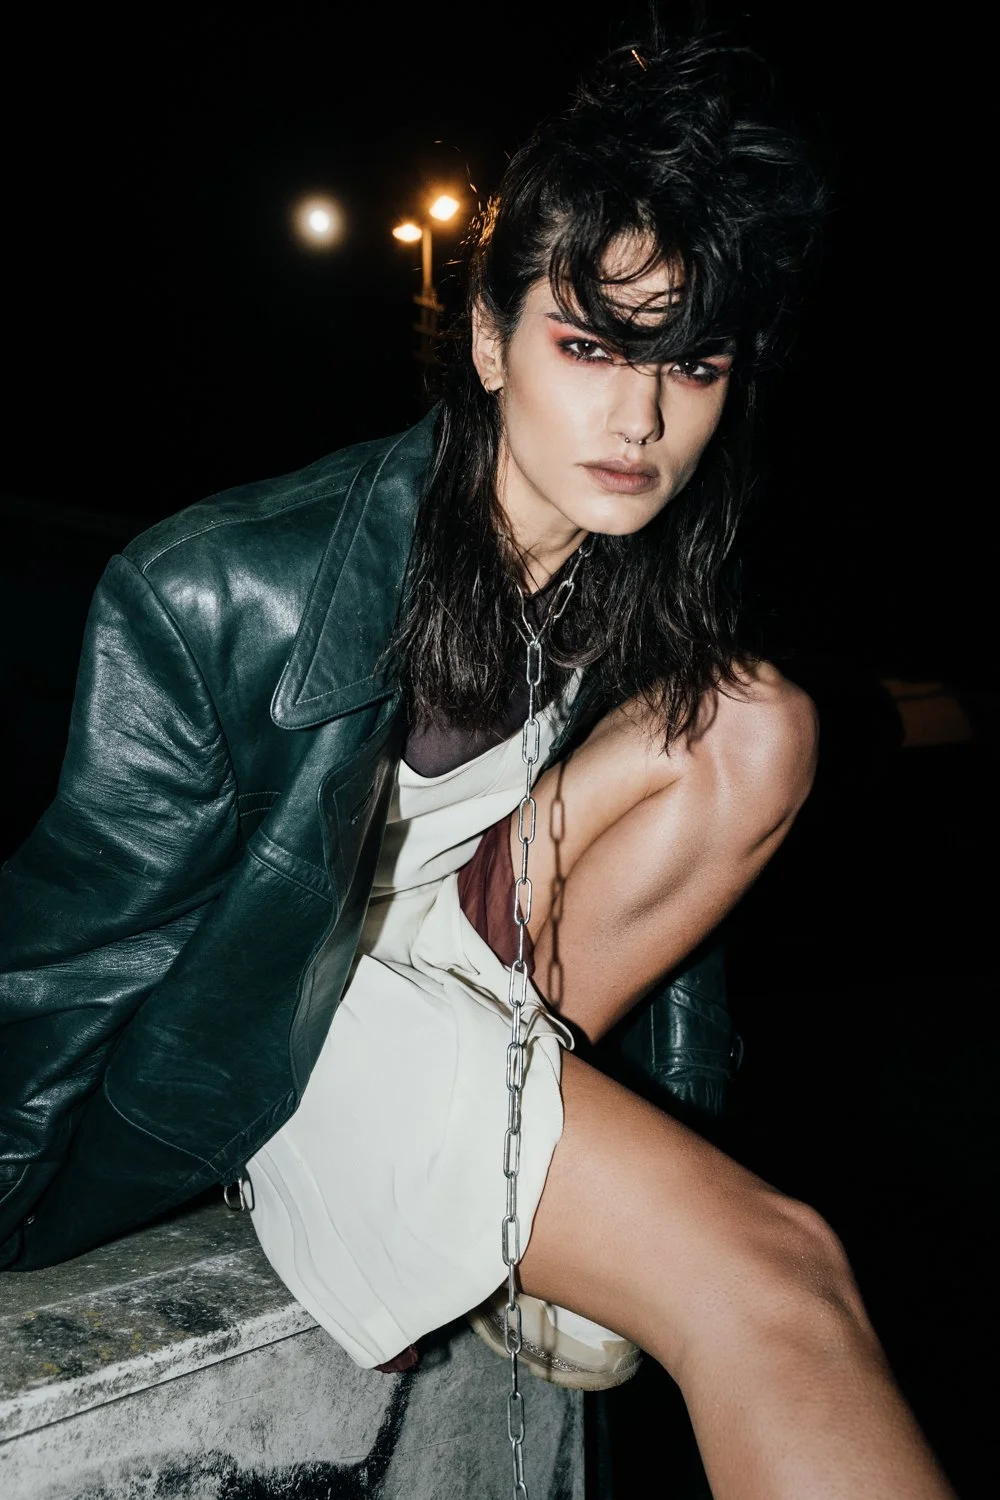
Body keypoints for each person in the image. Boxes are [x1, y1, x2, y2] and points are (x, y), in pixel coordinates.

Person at [0, 36, 954, 1500]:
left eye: (691, 367)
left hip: (480, 975)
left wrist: (656, 1133)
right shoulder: (220, 588)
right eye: (592, 349)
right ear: (493, 343)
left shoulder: (637, 579)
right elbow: (66, 964)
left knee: (758, 720)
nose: (641, 422)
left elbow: (680, 964)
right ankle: (451, 1194)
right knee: (779, 1278)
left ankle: (496, 1192)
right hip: (294, 1032)